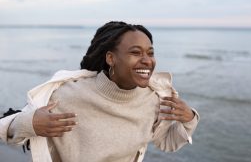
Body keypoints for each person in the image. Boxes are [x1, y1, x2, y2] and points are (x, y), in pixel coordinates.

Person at [2, 21, 199, 162]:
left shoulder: (154, 100)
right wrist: (30, 123)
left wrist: (189, 119)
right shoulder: (65, 95)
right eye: (135, 52)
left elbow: (167, 142)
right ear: (111, 58)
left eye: (150, 53)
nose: (147, 60)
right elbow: (5, 130)